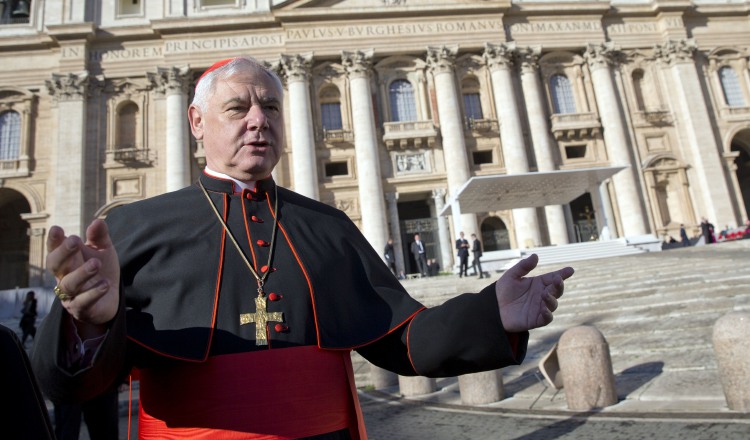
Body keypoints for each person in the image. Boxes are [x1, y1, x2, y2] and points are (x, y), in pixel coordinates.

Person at [32, 56, 574, 439]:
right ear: (196, 121)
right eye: (237, 108)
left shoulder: (328, 225)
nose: (258, 120)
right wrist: (88, 324)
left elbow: (402, 340)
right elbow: (72, 386)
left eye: (270, 106)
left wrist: (491, 313)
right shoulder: (134, 227)